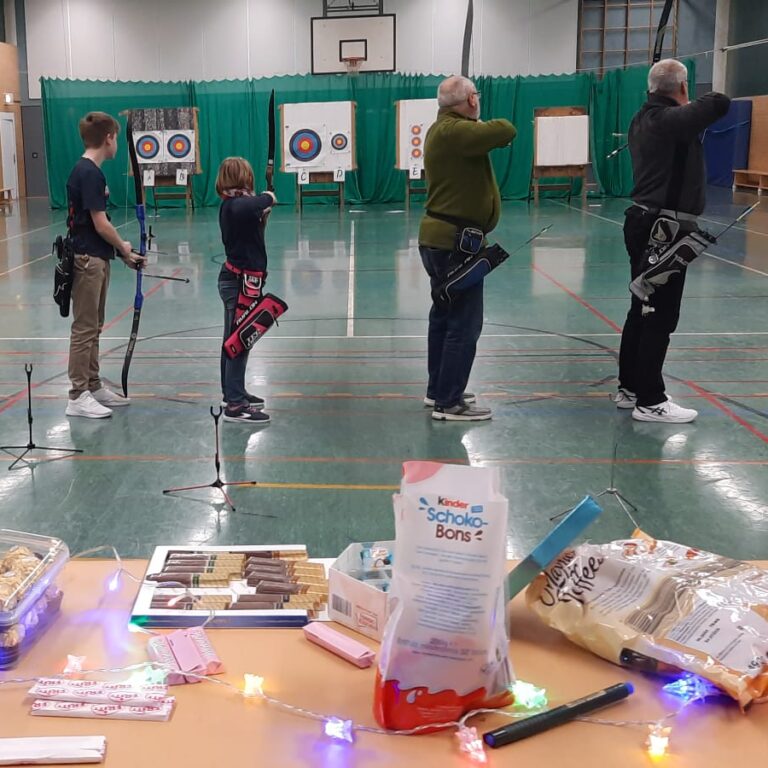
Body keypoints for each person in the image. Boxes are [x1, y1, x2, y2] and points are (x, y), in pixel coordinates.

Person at [616, 59, 730, 423]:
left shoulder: (644, 117)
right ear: (682, 89)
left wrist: (669, 87)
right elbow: (719, 102)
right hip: (661, 230)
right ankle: (650, 400)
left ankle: (630, 387)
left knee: (642, 308)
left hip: (648, 224)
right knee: (659, 315)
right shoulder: (666, 121)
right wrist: (684, 95)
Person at [419, 75, 516, 422]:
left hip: (445, 239)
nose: (479, 101)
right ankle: (450, 401)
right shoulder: (454, 131)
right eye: (476, 96)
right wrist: (475, 109)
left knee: (445, 318)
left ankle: (440, 389)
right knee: (463, 323)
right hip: (454, 244)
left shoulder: (448, 129)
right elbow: (505, 130)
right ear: (470, 101)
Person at [65, 112, 144, 419]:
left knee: (94, 327)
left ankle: (93, 385)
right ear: (110, 138)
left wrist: (123, 254)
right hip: (87, 260)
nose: (116, 144)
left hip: (95, 257)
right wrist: (123, 246)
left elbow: (94, 220)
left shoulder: (89, 172)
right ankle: (77, 395)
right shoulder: (89, 173)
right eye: (115, 138)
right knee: (85, 329)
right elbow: (99, 224)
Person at [216, 157, 276, 424]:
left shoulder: (240, 206)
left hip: (244, 281)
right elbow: (253, 203)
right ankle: (235, 405)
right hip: (236, 283)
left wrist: (262, 218)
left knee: (237, 340)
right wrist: (268, 197)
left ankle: (233, 392)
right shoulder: (234, 205)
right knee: (238, 342)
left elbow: (253, 234)